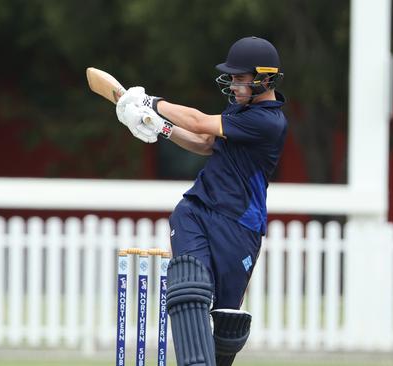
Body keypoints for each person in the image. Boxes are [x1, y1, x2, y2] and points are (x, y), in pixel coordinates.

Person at [115, 36, 286, 366]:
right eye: (232, 77)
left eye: (240, 78)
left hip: (239, 226)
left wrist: (152, 102)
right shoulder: (242, 108)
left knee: (226, 325)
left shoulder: (268, 121)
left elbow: (197, 121)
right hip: (197, 209)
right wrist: (159, 127)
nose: (234, 84)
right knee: (190, 289)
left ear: (265, 78)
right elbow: (206, 143)